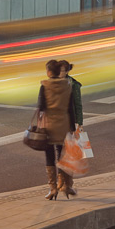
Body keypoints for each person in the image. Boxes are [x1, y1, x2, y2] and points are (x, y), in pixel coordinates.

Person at [37, 59, 84, 200]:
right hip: (63, 126)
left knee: (49, 156)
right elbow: (71, 109)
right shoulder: (68, 86)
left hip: (49, 126)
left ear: (49, 72)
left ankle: (53, 189)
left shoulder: (44, 86)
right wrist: (72, 127)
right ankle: (65, 186)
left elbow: (41, 107)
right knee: (63, 156)